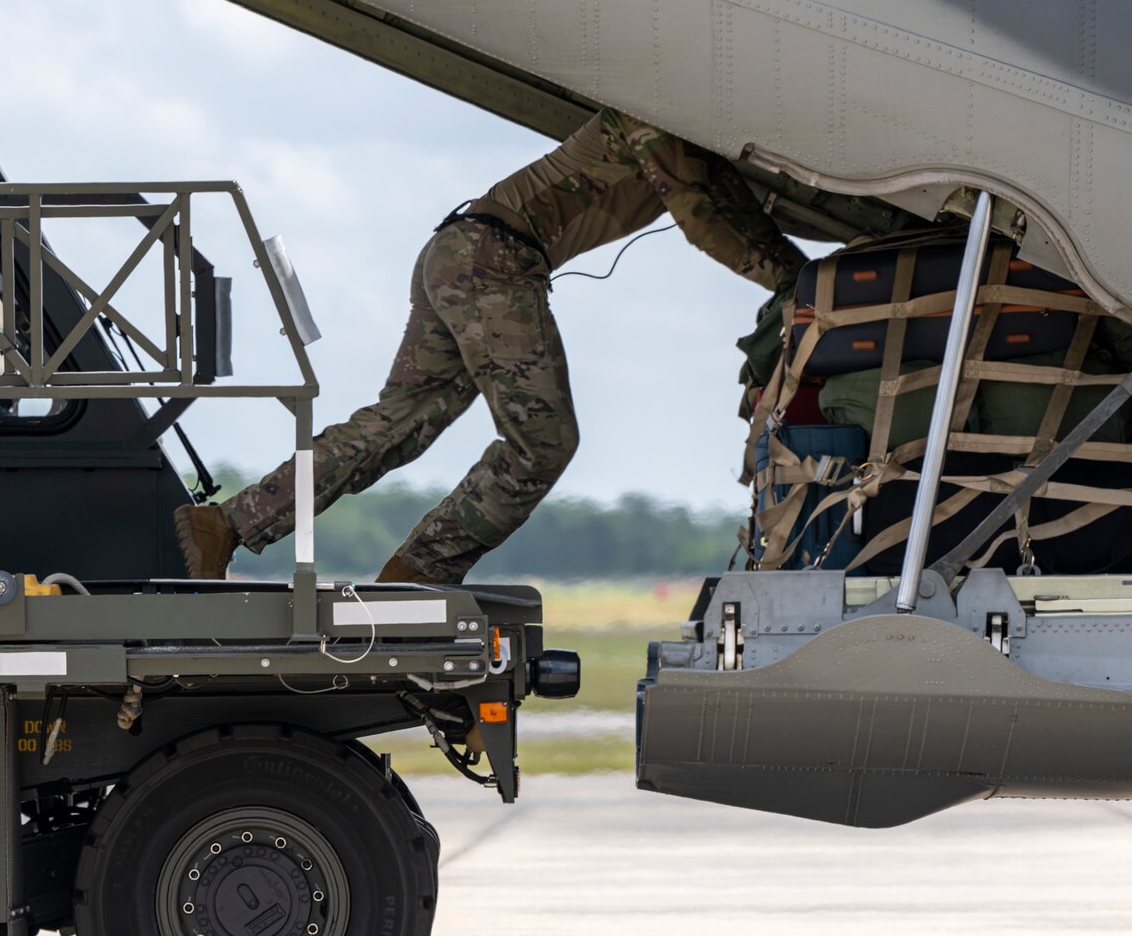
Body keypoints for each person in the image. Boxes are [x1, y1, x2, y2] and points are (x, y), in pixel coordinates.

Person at [174, 107, 806, 582]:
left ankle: (226, 524)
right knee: (544, 443)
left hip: (461, 251)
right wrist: (794, 279)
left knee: (395, 424)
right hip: (493, 259)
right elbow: (706, 213)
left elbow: (726, 204)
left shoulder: (678, 122)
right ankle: (420, 572)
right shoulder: (657, 114)